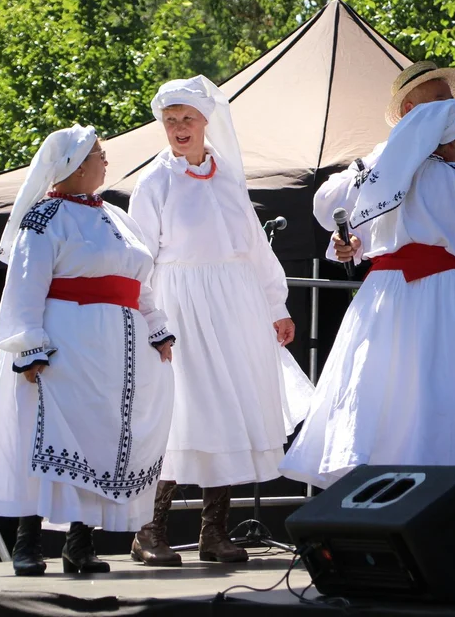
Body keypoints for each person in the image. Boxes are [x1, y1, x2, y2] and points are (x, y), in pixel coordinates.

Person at [279, 100, 455, 495]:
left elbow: (333, 211)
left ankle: (380, 501)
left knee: (383, 395)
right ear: (447, 140)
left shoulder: (384, 180)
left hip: (386, 299)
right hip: (451, 295)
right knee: (451, 391)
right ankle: (450, 505)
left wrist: (349, 237)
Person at [127, 75, 311, 566]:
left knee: (228, 409)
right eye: (170, 121)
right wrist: (152, 320)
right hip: (180, 304)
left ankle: (214, 531)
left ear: (207, 121)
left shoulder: (228, 174)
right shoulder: (154, 181)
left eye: (187, 118)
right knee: (181, 414)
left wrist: (276, 305)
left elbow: (253, 245)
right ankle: (150, 529)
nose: (179, 128)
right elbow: (138, 257)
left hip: (236, 305)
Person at [0, 125, 175, 576]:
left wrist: (157, 328)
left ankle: (79, 544)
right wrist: (30, 348)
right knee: (47, 438)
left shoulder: (119, 218)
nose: (106, 161)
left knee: (101, 441)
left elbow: (136, 281)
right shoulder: (44, 218)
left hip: (117, 354)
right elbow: (24, 287)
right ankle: (28, 543)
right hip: (66, 348)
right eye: (99, 154)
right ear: (76, 164)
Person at [314, 60, 455, 264]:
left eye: (452, 101)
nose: (450, 108)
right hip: (390, 292)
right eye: (440, 100)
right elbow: (327, 206)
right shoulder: (379, 160)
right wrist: (351, 237)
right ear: (410, 110)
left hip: (454, 285)